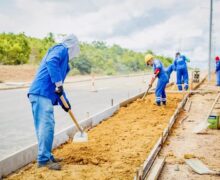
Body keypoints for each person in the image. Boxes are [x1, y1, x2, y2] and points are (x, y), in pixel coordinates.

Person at [28, 34, 80, 170]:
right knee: (46, 126)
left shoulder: (64, 64)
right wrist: (58, 84)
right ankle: (43, 160)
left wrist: (66, 104)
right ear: (72, 46)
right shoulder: (60, 48)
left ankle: (46, 155)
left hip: (43, 94)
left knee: (46, 127)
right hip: (41, 92)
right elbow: (52, 62)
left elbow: (59, 88)